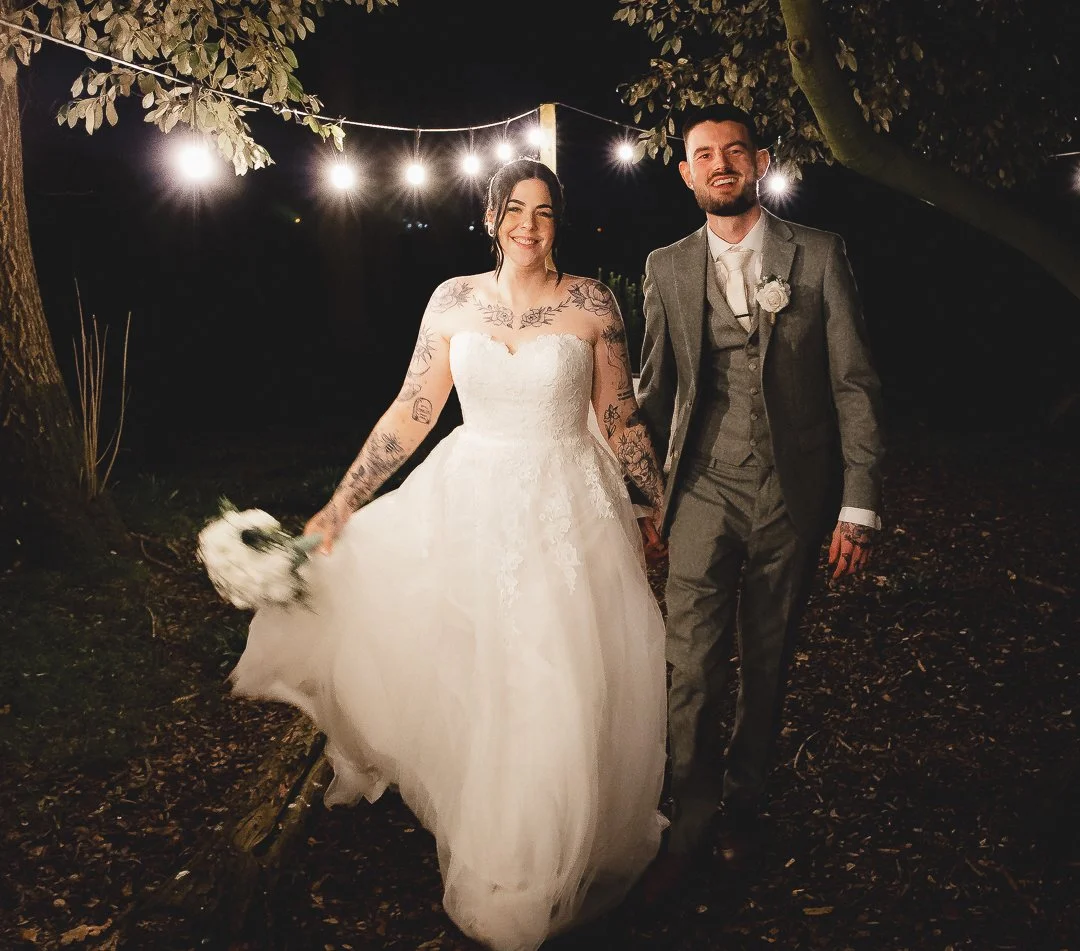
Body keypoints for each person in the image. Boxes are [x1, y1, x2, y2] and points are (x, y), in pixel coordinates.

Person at [228, 158, 670, 950]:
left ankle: (547, 854)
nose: (528, 226)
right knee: (487, 672)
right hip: (472, 500)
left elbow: (620, 413)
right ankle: (499, 842)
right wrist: (342, 503)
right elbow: (415, 408)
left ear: (557, 221)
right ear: (491, 216)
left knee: (558, 672)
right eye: (514, 210)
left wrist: (651, 502)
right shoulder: (453, 299)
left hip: (568, 508)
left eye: (543, 212)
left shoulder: (591, 302)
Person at [634, 105, 885, 899]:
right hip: (702, 486)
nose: (720, 164)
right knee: (693, 666)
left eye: (734, 151)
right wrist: (643, 498)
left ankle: (745, 809)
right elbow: (652, 391)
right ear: (684, 171)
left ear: (760, 160)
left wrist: (858, 504)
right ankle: (690, 820)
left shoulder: (817, 254)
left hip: (792, 493)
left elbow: (854, 384)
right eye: (703, 154)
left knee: (768, 658)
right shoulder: (666, 266)